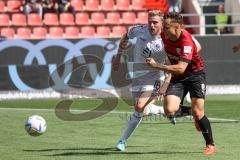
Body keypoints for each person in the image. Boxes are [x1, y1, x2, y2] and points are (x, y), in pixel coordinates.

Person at [112, 10, 193, 152]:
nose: (151, 25)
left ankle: (122, 141)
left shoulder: (166, 40)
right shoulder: (139, 30)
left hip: (155, 76)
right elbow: (125, 36)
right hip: (137, 76)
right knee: (142, 111)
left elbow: (171, 63)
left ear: (162, 23)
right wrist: (118, 56)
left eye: (155, 22)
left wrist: (166, 83)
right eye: (150, 21)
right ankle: (167, 112)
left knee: (139, 106)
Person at [146, 12, 216, 155]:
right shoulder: (164, 36)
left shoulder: (186, 40)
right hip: (178, 77)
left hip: (195, 75)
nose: (163, 30)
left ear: (177, 28)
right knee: (169, 111)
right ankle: (193, 113)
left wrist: (157, 66)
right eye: (163, 27)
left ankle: (210, 145)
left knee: (199, 112)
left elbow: (181, 67)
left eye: (166, 27)